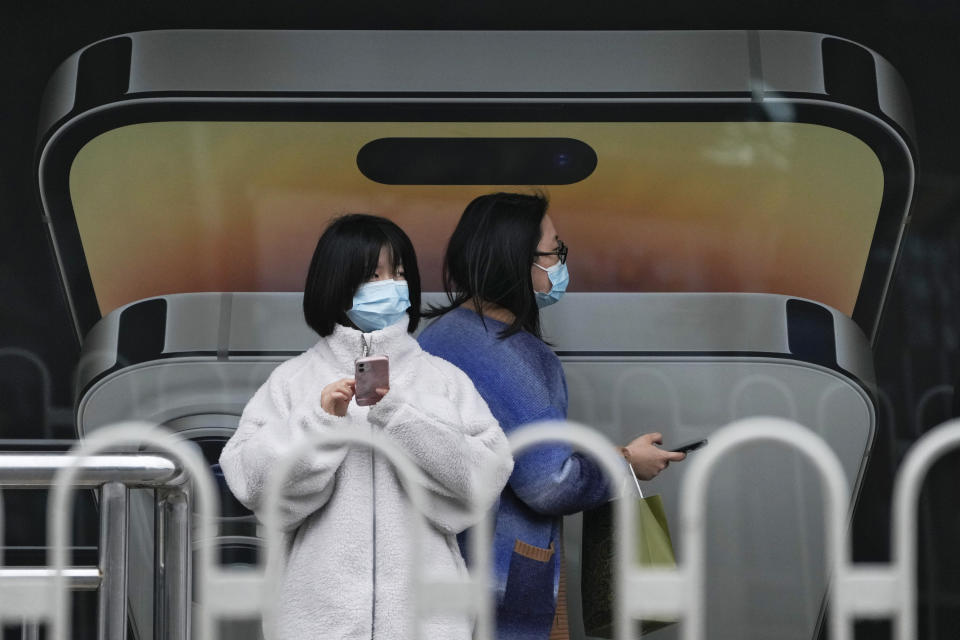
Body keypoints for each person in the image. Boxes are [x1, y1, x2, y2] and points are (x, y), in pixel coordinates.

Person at [219, 213, 514, 640]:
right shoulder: (292, 379)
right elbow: (249, 479)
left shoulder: (442, 378)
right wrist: (318, 422)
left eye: (398, 272)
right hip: (316, 622)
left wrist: (400, 414)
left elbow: (488, 474)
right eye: (374, 275)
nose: (392, 285)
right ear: (336, 282)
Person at [418, 192, 685, 640]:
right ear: (517, 259)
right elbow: (549, 484)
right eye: (553, 249)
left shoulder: (440, 337)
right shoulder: (515, 358)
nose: (560, 262)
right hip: (500, 583)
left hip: (439, 572)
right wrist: (625, 465)